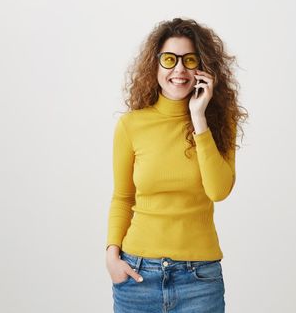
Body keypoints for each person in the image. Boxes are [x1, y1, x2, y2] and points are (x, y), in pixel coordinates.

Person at [105, 17, 247, 313]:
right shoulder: (131, 126)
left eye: (189, 59)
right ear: (155, 65)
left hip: (199, 280)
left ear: (203, 67)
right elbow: (122, 197)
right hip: (137, 277)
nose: (179, 69)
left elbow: (218, 191)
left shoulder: (218, 125)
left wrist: (199, 119)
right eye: (169, 59)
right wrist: (112, 256)